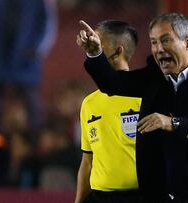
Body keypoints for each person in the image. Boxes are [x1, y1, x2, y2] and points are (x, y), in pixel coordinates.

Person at [77, 13, 188, 203]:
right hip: (171, 196)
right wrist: (95, 54)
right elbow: (114, 84)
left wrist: (174, 123)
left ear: (187, 41)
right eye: (153, 42)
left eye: (165, 40)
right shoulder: (155, 77)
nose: (158, 49)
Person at [74, 20, 143, 203]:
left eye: (98, 43)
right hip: (100, 197)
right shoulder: (89, 103)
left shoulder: (145, 97)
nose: (92, 45)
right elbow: (87, 163)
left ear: (118, 51)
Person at [0, 0, 57, 130]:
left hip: (25, 59)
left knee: (31, 105)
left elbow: (47, 23)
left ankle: (32, 139)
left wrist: (36, 50)